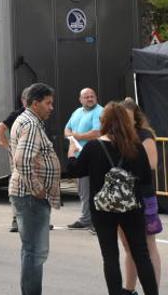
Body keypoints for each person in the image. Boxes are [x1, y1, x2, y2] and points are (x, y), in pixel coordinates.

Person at [66, 102, 158, 295]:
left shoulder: (93, 146)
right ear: (126, 121)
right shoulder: (135, 147)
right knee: (141, 255)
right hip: (132, 207)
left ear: (104, 122)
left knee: (110, 257)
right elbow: (146, 177)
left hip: (102, 209)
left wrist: (71, 154)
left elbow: (76, 171)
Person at [9, 83, 61, 295]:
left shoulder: (28, 121)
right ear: (35, 103)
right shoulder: (30, 124)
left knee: (31, 251)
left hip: (27, 196)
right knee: (35, 253)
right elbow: (22, 161)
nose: (51, 108)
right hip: (30, 197)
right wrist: (36, 187)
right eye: (48, 103)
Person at [118, 98, 161, 295]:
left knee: (147, 245)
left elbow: (151, 165)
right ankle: (129, 288)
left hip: (142, 196)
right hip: (122, 198)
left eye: (128, 118)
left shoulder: (145, 136)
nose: (125, 122)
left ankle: (153, 289)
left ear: (135, 118)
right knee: (128, 245)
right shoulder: (116, 136)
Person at [65, 87, 104, 231]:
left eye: (92, 96)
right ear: (80, 99)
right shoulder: (77, 112)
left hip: (94, 157)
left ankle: (96, 221)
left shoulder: (100, 111)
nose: (89, 98)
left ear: (96, 97)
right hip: (79, 157)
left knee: (94, 190)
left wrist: (77, 137)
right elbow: (66, 129)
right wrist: (72, 137)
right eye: (86, 97)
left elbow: (97, 132)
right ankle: (86, 219)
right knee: (83, 191)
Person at [0, 88, 30, 232]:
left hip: (32, 155)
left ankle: (35, 219)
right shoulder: (17, 114)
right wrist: (8, 146)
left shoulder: (37, 114)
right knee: (17, 186)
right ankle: (16, 219)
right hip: (18, 156)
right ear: (23, 100)